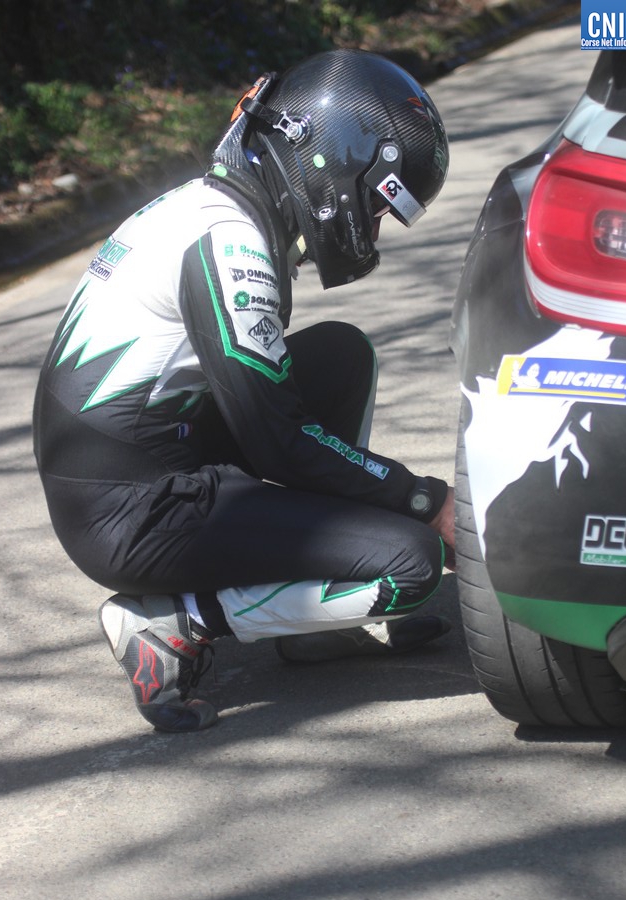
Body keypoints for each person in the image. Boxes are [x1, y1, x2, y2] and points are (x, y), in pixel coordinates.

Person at [33, 48, 455, 733]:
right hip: (133, 513)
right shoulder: (230, 244)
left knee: (340, 355)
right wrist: (424, 500)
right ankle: (173, 620)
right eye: (378, 206)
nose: (373, 229)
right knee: (410, 563)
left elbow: (271, 421)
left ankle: (307, 619)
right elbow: (280, 442)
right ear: (334, 165)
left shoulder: (209, 206)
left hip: (139, 465)